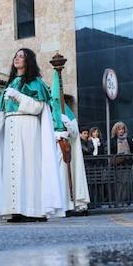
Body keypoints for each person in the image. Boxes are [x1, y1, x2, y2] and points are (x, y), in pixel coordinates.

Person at [0, 47, 61, 222]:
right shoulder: (10, 83)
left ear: (28, 61)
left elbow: (38, 107)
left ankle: (33, 209)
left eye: (21, 57)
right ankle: (16, 209)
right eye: (15, 56)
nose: (17, 59)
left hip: (27, 126)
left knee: (28, 167)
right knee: (12, 168)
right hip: (11, 126)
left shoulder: (35, 83)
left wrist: (18, 96)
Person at [49, 81, 89, 215]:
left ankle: (69, 205)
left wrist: (67, 122)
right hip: (52, 151)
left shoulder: (68, 113)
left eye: (56, 99)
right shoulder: (48, 112)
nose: (54, 102)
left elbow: (74, 133)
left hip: (65, 151)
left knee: (65, 179)